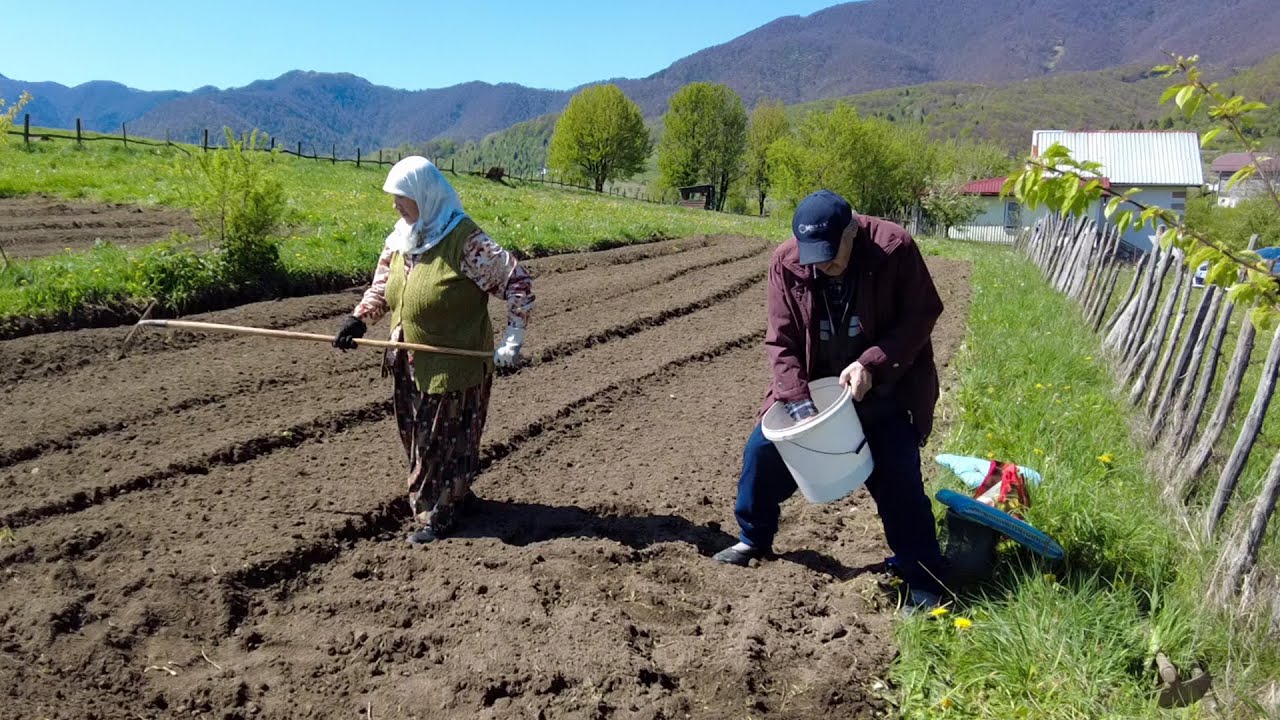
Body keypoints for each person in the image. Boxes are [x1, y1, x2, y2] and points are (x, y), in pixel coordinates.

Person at [712, 189, 949, 606]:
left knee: (899, 478)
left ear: (853, 230)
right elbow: (781, 341)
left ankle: (925, 579)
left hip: (885, 385)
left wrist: (872, 365)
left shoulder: (894, 248)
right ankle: (753, 538)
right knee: (762, 456)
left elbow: (921, 315)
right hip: (819, 387)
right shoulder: (787, 262)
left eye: (831, 252)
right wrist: (796, 402)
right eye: (814, 254)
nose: (824, 263)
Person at [333, 156, 534, 545]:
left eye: (402, 197)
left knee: (439, 443)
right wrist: (358, 319)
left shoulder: (466, 241)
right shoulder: (402, 237)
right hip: (407, 360)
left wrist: (513, 337)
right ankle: (456, 496)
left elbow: (517, 282)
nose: (395, 205)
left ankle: (435, 513)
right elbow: (382, 286)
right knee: (417, 438)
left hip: (453, 363)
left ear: (425, 196)